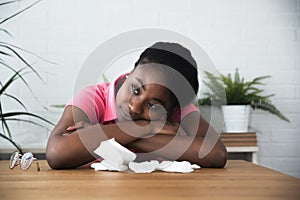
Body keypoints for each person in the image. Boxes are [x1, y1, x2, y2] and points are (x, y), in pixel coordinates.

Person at [46, 42, 227, 169]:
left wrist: (99, 134)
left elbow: (216, 154)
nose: (134, 107)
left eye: (152, 105)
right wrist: (147, 126)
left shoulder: (177, 107)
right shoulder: (94, 98)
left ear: (172, 110)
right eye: (135, 89)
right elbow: (57, 153)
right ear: (131, 72)